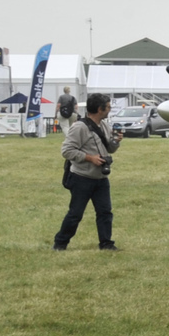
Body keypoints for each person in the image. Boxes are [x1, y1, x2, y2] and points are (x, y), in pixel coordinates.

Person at [55, 92, 121, 251]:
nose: (110, 110)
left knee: (105, 212)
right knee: (75, 214)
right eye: (108, 107)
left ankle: (106, 244)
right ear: (100, 109)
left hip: (101, 178)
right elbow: (66, 151)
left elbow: (110, 149)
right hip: (82, 178)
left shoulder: (104, 125)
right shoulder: (79, 127)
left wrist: (116, 142)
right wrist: (89, 158)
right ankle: (60, 244)